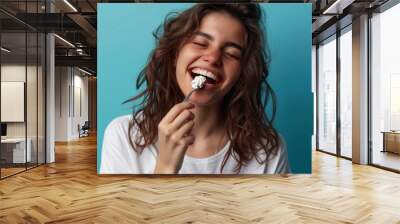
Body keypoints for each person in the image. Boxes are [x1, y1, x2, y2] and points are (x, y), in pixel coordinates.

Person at [100, 3, 290, 174]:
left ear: (241, 73)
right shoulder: (124, 135)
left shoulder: (267, 151)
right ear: (175, 54)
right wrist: (165, 167)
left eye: (231, 53)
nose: (213, 57)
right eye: (200, 43)